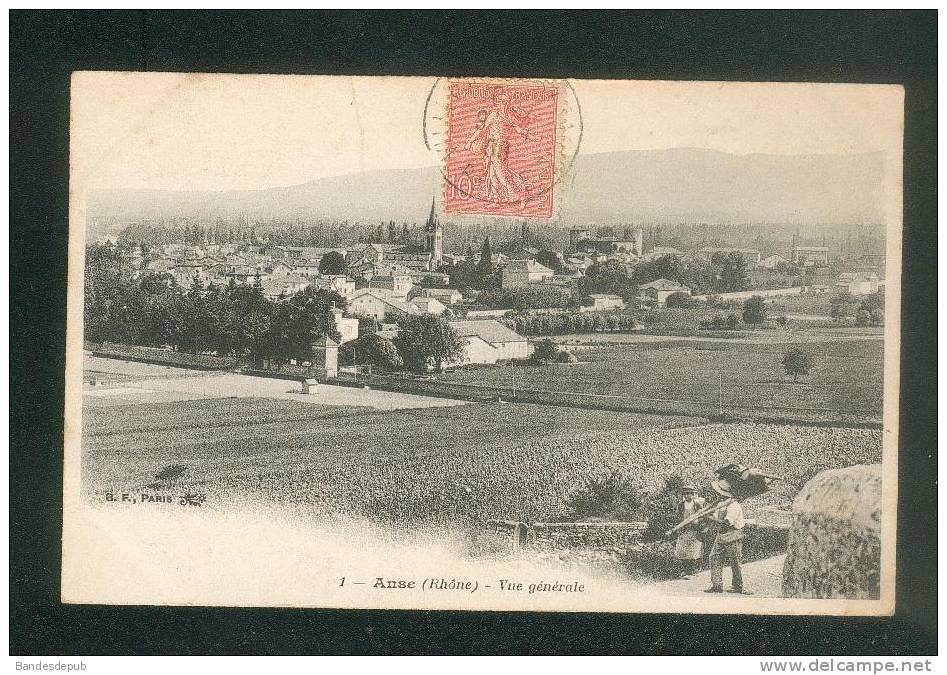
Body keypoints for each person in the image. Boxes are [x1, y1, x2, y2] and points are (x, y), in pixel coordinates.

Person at [704, 476, 752, 594]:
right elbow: (715, 518)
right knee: (714, 557)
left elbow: (726, 523)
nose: (718, 494)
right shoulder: (721, 504)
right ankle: (717, 585)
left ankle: (737, 586)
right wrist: (706, 517)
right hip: (721, 535)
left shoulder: (734, 505)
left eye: (719, 492)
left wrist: (710, 518)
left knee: (734, 561)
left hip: (733, 534)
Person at [673, 484, 705, 578]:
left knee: (693, 550)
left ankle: (693, 570)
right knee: (683, 550)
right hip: (684, 530)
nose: (687, 496)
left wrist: (697, 521)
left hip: (694, 530)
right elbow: (678, 517)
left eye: (689, 494)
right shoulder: (681, 505)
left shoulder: (697, 504)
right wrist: (681, 524)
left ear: (692, 494)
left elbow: (703, 516)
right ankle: (685, 571)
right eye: (685, 494)